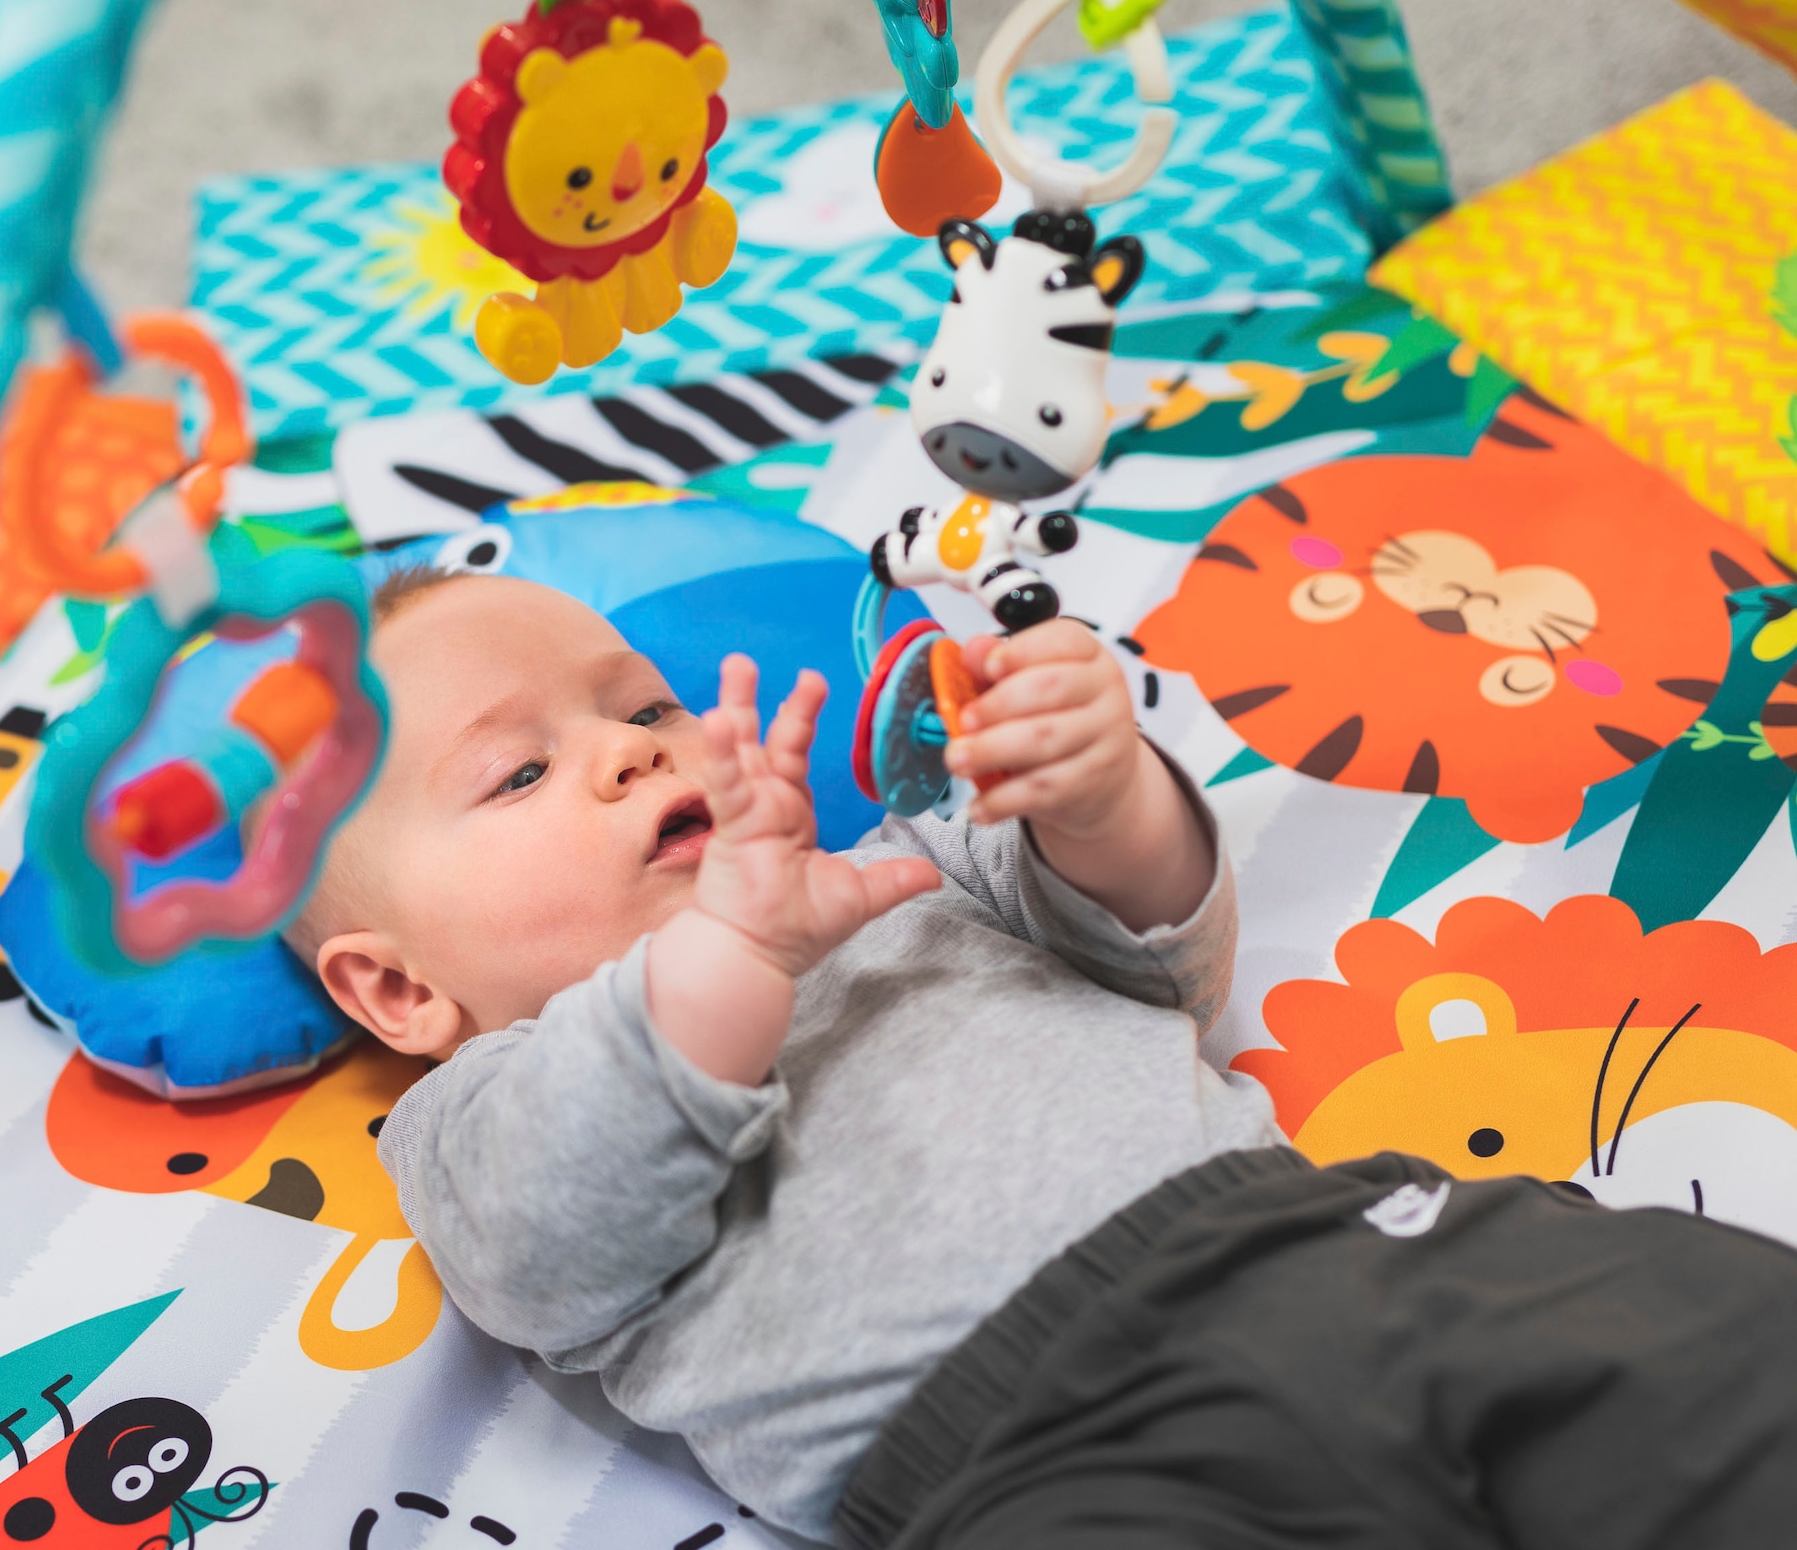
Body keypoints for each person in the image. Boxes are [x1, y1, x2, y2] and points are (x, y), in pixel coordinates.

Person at [291, 564, 1797, 1550]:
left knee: (1712, 1347)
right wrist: (738, 954)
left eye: (645, 708)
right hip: (1039, 1453)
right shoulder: (478, 1110)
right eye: (520, 772)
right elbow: (572, 1213)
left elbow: (1155, 943)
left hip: (1344, 1244)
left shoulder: (898, 877)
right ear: (399, 991)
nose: (631, 752)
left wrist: (1100, 782)